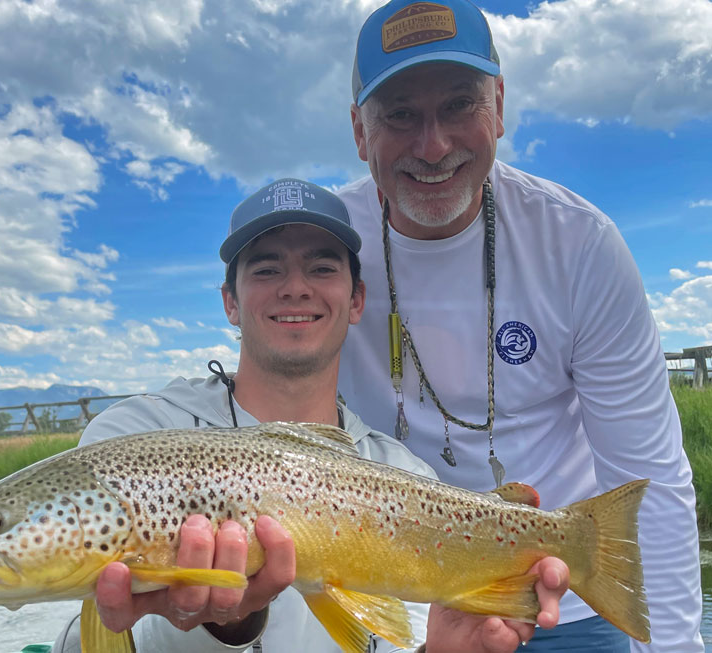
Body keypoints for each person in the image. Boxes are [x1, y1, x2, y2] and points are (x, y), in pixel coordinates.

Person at [51, 178, 569, 652]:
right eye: (267, 267)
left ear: (357, 299)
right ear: (230, 301)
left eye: (322, 267)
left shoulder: (404, 476)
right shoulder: (129, 441)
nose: (295, 286)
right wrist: (223, 624)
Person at [336, 1, 702, 651]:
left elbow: (649, 480)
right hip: (398, 603)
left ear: (499, 106)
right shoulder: (320, 250)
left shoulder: (580, 244)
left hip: (564, 598)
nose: (433, 145)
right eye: (399, 114)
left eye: (458, 105)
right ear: (360, 132)